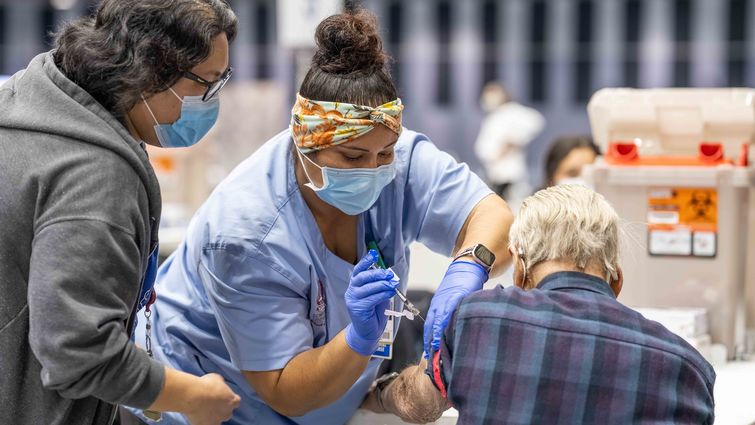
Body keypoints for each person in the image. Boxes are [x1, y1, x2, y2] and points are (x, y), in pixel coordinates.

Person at [127, 9, 514, 425]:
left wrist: (469, 267)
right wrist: (360, 337)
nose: (373, 169)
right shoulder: (245, 233)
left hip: (332, 397)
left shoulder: (400, 162)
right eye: (351, 156)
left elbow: (493, 218)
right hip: (220, 402)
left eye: (384, 154)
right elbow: (287, 392)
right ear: (304, 143)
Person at [0, 1, 243, 424]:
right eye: (205, 85)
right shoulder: (96, 177)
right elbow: (78, 352)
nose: (210, 102)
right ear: (150, 72)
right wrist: (190, 395)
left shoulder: (26, 105)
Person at [363, 184, 716, 424]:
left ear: (520, 270)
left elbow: (420, 402)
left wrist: (376, 393)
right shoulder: (688, 369)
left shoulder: (478, 322)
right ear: (616, 279)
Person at [473, 82, 544, 199]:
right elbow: (483, 147)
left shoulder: (512, 111)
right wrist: (495, 155)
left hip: (511, 174)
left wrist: (514, 141)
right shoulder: (492, 117)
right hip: (494, 172)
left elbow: (536, 121)